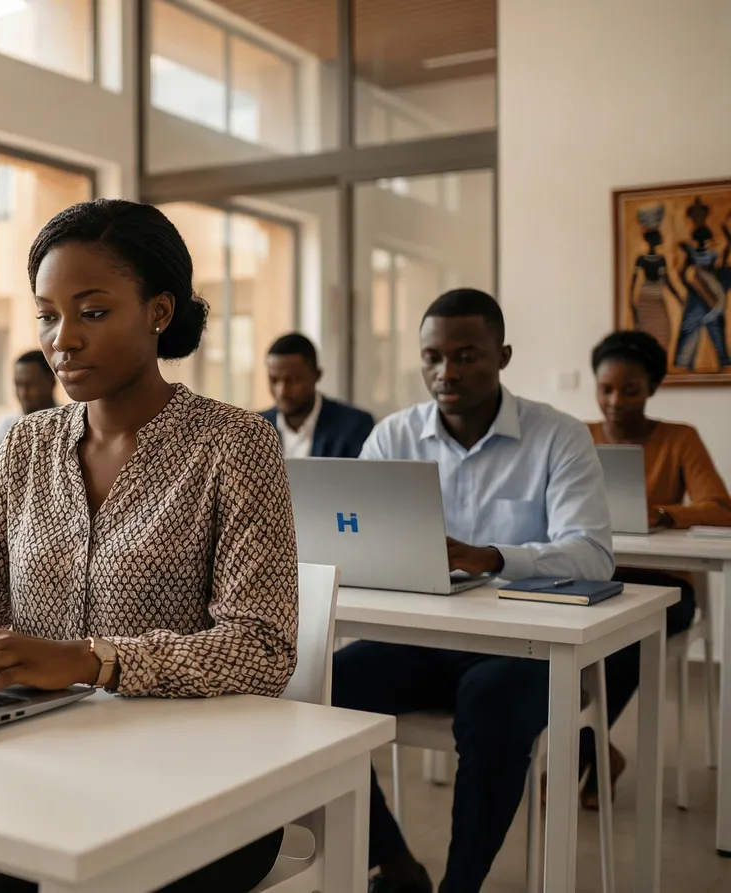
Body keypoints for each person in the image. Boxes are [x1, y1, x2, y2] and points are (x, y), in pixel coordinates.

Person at [0, 199, 298, 893]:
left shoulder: (234, 443)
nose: (61, 338)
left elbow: (262, 648)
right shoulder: (28, 442)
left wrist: (89, 660)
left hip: (193, 782)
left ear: (159, 311)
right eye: (47, 313)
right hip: (29, 754)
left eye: (92, 311)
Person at [332, 288, 614, 893]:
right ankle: (396, 864)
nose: (447, 372)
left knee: (489, 703)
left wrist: (492, 556)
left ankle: (461, 887)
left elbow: (592, 554)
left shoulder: (558, 437)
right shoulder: (392, 437)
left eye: (467, 355)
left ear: (503, 355)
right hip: (421, 641)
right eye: (433, 357)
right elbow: (353, 540)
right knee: (315, 691)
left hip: (527, 648)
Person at [580, 329, 731, 807]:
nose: (615, 401)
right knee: (551, 641)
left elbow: (722, 508)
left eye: (630, 389)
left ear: (652, 389)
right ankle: (595, 751)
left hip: (665, 585)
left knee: (624, 641)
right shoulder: (577, 437)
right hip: (594, 575)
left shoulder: (678, 439)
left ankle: (579, 753)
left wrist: (665, 514)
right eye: (605, 389)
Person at [258, 332, 375, 459]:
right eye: (274, 380)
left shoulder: (353, 425)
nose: (282, 391)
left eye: (293, 380)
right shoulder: (254, 429)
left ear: (317, 375)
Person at [0, 349, 58, 438]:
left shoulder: (66, 424)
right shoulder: (5, 427)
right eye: (18, 385)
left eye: (30, 384)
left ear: (51, 382)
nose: (23, 393)